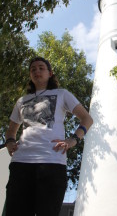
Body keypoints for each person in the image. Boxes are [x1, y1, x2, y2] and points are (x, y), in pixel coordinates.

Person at [5, 57, 93, 216]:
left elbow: (87, 119)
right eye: (33, 69)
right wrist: (10, 142)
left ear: (50, 73)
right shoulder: (21, 101)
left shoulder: (62, 94)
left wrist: (73, 140)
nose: (37, 71)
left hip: (52, 162)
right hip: (21, 163)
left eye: (41, 68)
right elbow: (11, 131)